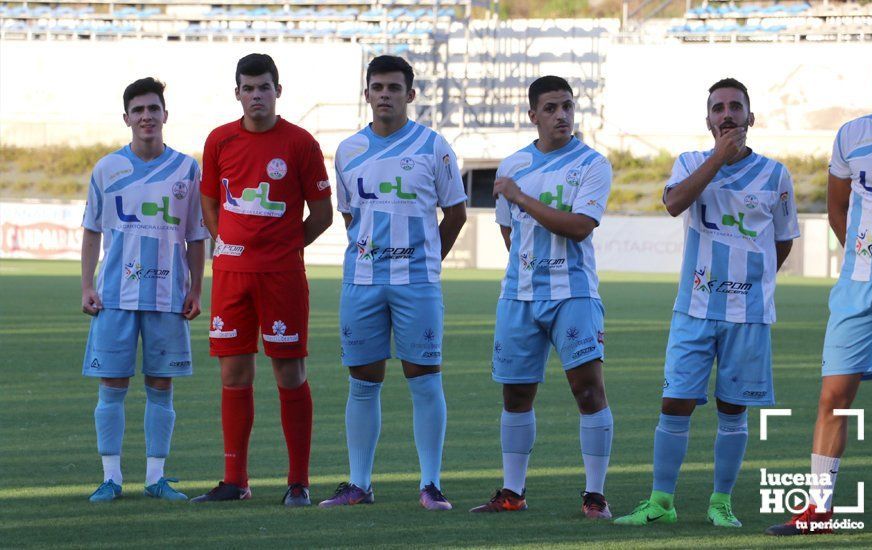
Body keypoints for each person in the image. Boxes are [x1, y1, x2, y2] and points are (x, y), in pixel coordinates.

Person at [613, 78, 799, 528]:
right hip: (693, 308)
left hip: (749, 314)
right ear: (709, 120)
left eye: (736, 107)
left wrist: (750, 284)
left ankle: (721, 502)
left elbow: (783, 242)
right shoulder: (690, 162)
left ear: (751, 117)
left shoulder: (776, 175)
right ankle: (661, 501)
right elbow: (674, 203)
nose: (727, 114)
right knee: (675, 402)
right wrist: (718, 157)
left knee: (733, 408)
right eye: (718, 108)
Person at [318, 55, 467, 511]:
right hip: (362, 282)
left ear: (411, 94)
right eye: (377, 86)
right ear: (367, 94)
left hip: (416, 283)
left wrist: (425, 262)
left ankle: (430, 484)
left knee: (423, 378)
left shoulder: (433, 146)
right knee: (363, 381)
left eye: (394, 87)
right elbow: (349, 215)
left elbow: (456, 213)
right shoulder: (347, 151)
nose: (385, 94)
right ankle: (359, 484)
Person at [468, 76, 614, 518]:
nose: (561, 115)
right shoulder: (512, 165)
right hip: (519, 295)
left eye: (567, 106)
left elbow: (578, 226)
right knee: (515, 395)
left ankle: (595, 496)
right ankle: (512, 493)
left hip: (574, 293)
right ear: (533, 115)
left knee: (588, 391)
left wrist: (520, 196)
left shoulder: (592, 164)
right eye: (550, 108)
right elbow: (510, 234)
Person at [191, 53, 333, 505]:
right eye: (248, 88)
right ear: (237, 93)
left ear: (278, 90)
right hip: (232, 275)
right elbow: (210, 203)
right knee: (233, 372)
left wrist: (286, 248)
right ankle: (236, 480)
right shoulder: (219, 140)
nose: (257, 95)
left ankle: (298, 482)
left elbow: (324, 214)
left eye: (264, 87)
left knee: (289, 371)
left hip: (282, 276)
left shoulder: (300, 143)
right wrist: (226, 244)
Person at [766, 42, 872, 538]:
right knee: (833, 397)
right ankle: (819, 510)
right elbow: (838, 207)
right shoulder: (852, 135)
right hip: (857, 286)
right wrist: (860, 256)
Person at [81, 77, 208, 502]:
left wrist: (196, 290)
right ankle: (111, 477)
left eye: (153, 109)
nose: (146, 117)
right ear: (126, 118)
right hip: (115, 295)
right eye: (138, 110)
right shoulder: (107, 168)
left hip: (167, 296)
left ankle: (156, 477)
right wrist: (86, 286)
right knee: (111, 387)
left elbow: (195, 236)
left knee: (161, 387)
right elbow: (91, 230)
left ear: (165, 115)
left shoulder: (187, 169)